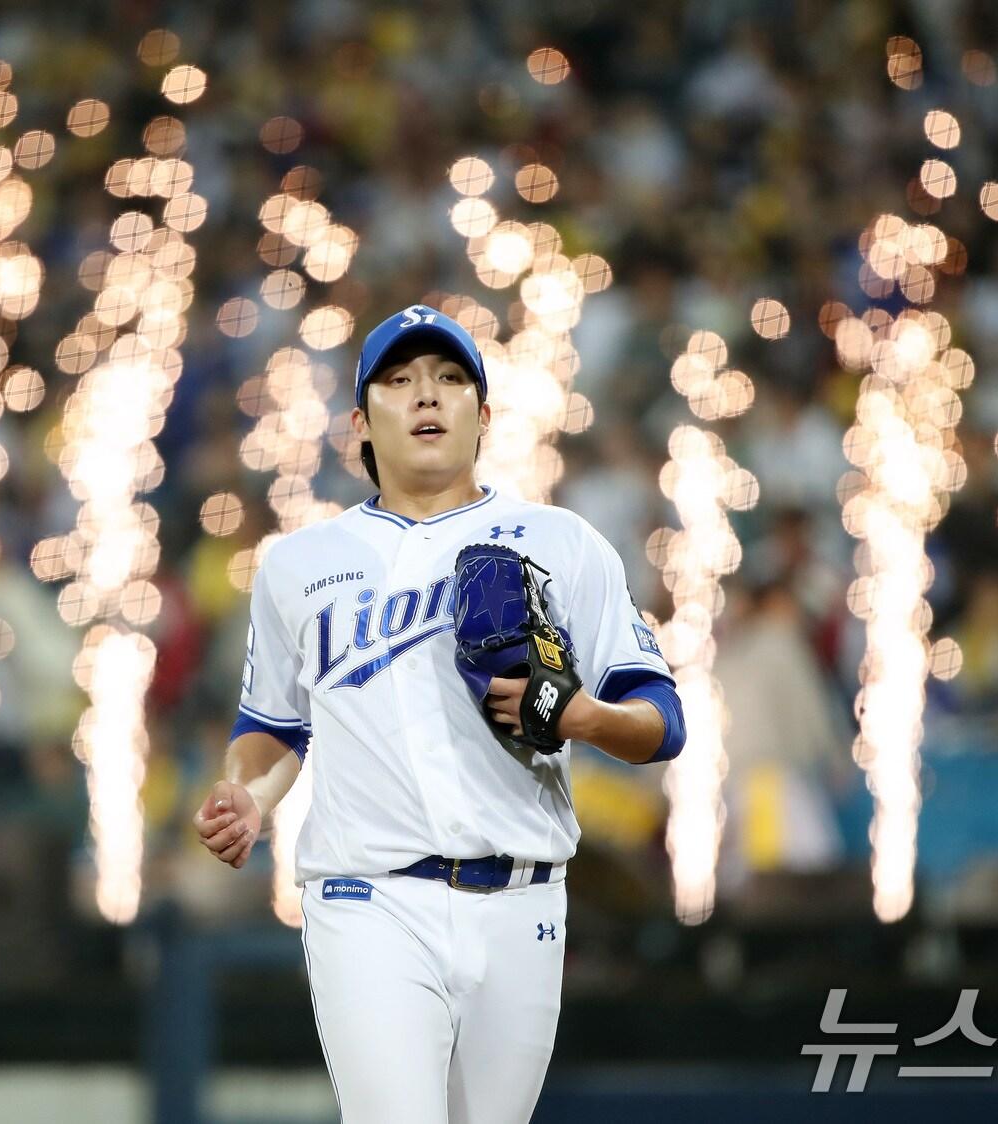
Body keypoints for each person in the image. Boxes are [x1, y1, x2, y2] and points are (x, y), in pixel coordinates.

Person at [193, 304, 686, 1123]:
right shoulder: (300, 565)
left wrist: (579, 716)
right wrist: (249, 794)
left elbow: (661, 718)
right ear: (361, 420)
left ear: (483, 416)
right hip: (368, 901)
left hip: (524, 899)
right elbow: (274, 725)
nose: (427, 396)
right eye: (401, 380)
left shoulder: (559, 542)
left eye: (451, 379)